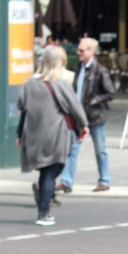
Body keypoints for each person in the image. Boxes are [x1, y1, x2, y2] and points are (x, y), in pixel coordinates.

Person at [18, 46, 88, 226]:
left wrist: (20, 134)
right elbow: (75, 108)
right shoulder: (62, 84)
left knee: (45, 171)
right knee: (51, 171)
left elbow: (22, 108)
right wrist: (83, 126)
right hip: (56, 133)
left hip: (34, 133)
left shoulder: (29, 84)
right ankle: (44, 212)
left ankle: (43, 203)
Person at [58, 37, 114, 194]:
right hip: (79, 116)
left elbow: (110, 93)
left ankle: (104, 180)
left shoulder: (100, 70)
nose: (78, 53)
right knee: (72, 148)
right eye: (78, 50)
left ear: (91, 51)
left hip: (94, 117)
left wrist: (94, 100)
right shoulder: (80, 68)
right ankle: (66, 181)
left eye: (81, 50)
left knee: (100, 149)